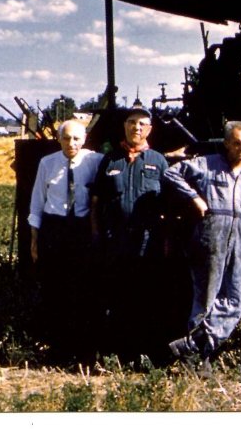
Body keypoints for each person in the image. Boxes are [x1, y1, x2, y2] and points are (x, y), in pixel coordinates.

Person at [166, 121, 241, 376]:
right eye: (236, 142)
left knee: (235, 301)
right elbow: (172, 173)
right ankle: (199, 361)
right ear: (226, 143)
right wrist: (194, 198)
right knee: (206, 300)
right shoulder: (207, 163)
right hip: (210, 234)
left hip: (239, 238)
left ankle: (190, 345)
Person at [90, 106, 169, 361]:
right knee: (116, 294)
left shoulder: (158, 161)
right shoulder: (110, 160)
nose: (136, 127)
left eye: (142, 124)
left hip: (148, 242)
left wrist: (165, 239)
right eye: (131, 122)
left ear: (149, 129)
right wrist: (97, 234)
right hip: (116, 241)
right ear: (124, 126)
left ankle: (145, 352)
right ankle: (116, 352)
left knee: (146, 295)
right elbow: (95, 202)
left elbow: (168, 205)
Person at [28, 119, 103, 363]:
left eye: (76, 138)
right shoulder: (47, 164)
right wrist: (35, 240)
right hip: (54, 228)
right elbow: (37, 201)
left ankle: (83, 351)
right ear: (59, 139)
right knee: (55, 289)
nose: (71, 143)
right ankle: (57, 350)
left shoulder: (96, 161)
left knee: (83, 289)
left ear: (84, 140)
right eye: (66, 138)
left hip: (81, 229)